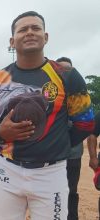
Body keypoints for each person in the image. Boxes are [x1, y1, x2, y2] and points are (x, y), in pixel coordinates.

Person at [0, 11, 94, 220]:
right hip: (7, 171)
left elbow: (85, 123)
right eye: (23, 29)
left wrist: (56, 143)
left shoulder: (66, 75)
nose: (29, 32)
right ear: (12, 41)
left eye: (35, 28)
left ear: (45, 37)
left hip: (51, 173)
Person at [56, 56, 83, 220]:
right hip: (52, 155)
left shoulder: (79, 98)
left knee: (71, 190)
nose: (65, 73)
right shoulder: (51, 96)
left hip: (73, 154)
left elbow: (84, 125)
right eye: (61, 69)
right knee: (52, 190)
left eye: (68, 69)